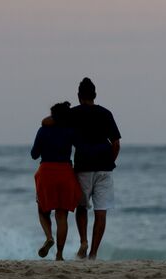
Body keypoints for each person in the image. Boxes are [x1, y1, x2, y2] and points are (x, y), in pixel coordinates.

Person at [44, 78, 121, 260]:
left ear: (79, 96)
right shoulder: (106, 113)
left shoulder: (73, 113)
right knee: (101, 211)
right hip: (104, 167)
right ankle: (93, 254)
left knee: (82, 207)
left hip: (83, 167)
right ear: (95, 95)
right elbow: (116, 144)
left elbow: (46, 122)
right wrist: (110, 162)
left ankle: (84, 242)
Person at [31, 102, 82, 261]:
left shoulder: (43, 130)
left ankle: (48, 237)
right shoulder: (70, 131)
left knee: (42, 210)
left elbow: (34, 154)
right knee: (62, 216)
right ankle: (59, 255)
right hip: (65, 172)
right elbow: (79, 146)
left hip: (46, 171)